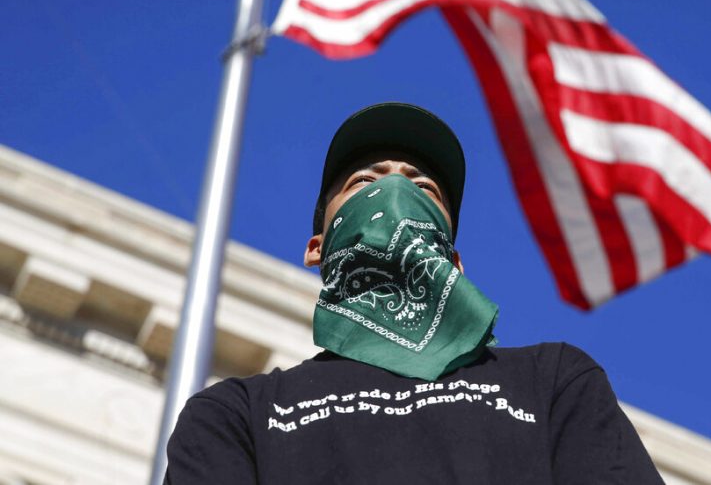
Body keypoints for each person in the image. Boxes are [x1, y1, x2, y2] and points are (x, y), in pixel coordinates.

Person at [164, 103, 663, 484]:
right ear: (316, 248)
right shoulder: (240, 414)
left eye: (424, 189)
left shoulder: (552, 381)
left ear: (455, 261)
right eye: (364, 181)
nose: (396, 189)